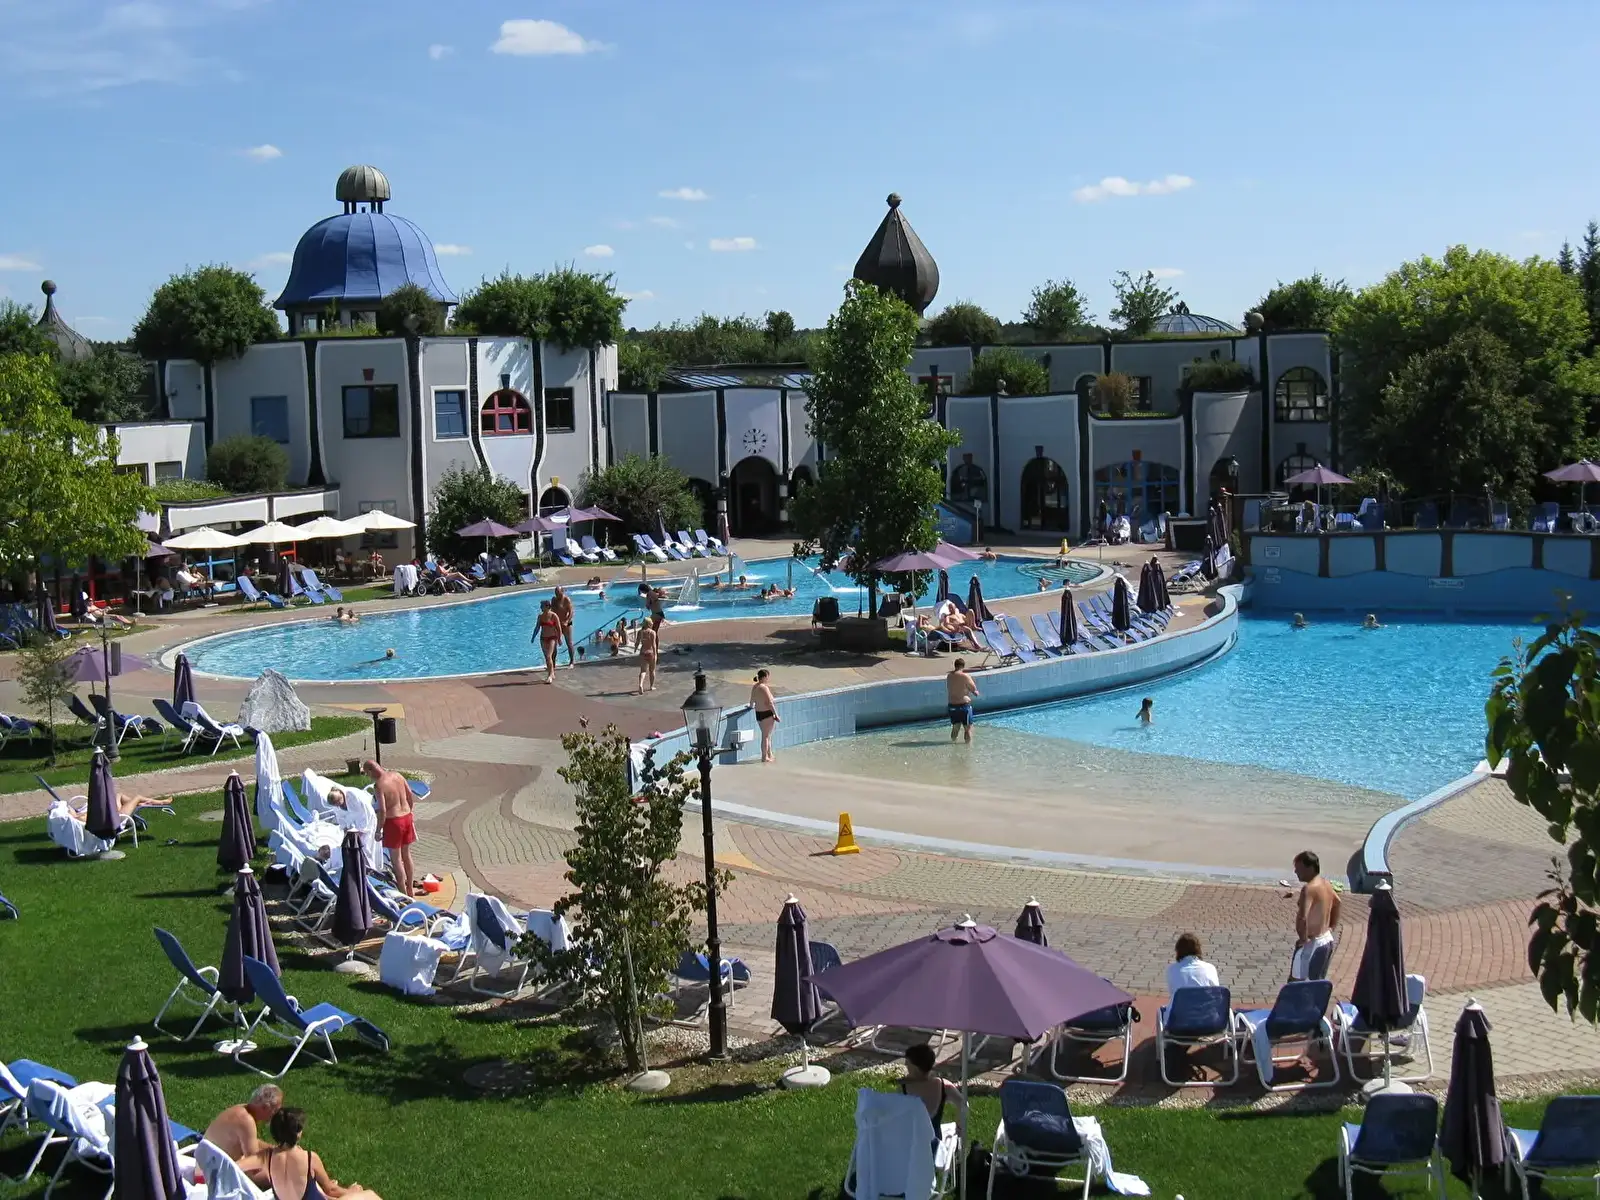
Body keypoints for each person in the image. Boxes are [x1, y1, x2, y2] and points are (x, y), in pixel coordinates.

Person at [261, 1107, 383, 1200]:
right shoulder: (309, 1158)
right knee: (369, 1195)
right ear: (297, 1133)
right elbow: (331, 1190)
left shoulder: (268, 1158)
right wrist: (352, 1191)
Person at [365, 759, 417, 898]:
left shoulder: (379, 785)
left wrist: (378, 830)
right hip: (406, 817)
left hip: (394, 822)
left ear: (371, 770)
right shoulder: (397, 775)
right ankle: (410, 888)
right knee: (407, 855)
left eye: (367, 774)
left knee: (396, 860)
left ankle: (404, 894)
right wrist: (409, 811)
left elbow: (382, 810)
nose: (368, 777)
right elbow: (409, 795)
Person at [898, 1044, 965, 1149]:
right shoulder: (943, 1085)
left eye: (908, 1065)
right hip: (934, 1148)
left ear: (915, 1069)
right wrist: (960, 1126)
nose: (906, 1067)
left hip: (909, 1147)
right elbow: (964, 1104)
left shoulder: (903, 1089)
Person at [202, 1085, 282, 1168]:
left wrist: (274, 1150)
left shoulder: (242, 1109)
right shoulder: (247, 1121)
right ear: (265, 1107)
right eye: (275, 1110)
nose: (275, 1114)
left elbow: (251, 1141)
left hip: (206, 1161)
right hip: (211, 1171)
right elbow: (253, 1162)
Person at [1290, 849, 1340, 981]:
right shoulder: (1326, 884)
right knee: (1316, 980)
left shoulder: (1309, 889)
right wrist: (1332, 926)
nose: (1295, 872)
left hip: (1313, 943)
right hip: (1326, 939)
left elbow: (1303, 917)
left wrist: (1303, 939)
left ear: (1310, 868)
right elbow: (1337, 903)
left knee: (1298, 982)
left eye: (1298, 868)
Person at [324, 785, 377, 859]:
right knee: (354, 849)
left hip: (367, 823)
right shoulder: (336, 806)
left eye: (339, 800)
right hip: (353, 828)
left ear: (341, 793)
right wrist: (345, 828)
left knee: (367, 848)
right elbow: (341, 818)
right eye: (336, 804)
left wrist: (360, 830)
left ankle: (369, 864)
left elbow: (363, 814)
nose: (339, 804)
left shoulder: (353, 796)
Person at [1165, 933, 1221, 997]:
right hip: (1205, 1003)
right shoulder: (1210, 968)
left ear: (1178, 950)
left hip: (1182, 1003)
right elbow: (1217, 992)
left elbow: (1172, 993)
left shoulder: (1172, 969)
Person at [946, 658, 979, 744]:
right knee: (967, 729)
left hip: (952, 706)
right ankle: (968, 748)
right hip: (964, 706)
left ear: (955, 666)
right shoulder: (965, 676)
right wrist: (975, 692)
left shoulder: (949, 676)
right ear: (963, 666)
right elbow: (974, 689)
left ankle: (953, 744)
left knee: (955, 727)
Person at [751, 669, 779, 763]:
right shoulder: (763, 687)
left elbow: (751, 701)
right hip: (767, 713)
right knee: (766, 737)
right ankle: (764, 757)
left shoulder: (755, 687)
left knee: (767, 736)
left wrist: (750, 707)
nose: (768, 679)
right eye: (767, 677)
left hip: (758, 713)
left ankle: (769, 754)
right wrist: (776, 714)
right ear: (764, 677)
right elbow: (770, 702)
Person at [534, 599, 562, 684]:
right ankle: (551, 672)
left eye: (542, 606)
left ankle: (549, 676)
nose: (540, 608)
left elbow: (559, 628)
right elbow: (537, 627)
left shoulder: (554, 616)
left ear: (547, 606)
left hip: (552, 638)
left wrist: (559, 639)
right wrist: (533, 637)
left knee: (549, 656)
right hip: (543, 638)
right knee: (547, 657)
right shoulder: (540, 616)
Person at [551, 585, 576, 666]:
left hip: (566, 624)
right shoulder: (554, 600)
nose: (557, 595)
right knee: (554, 644)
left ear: (562, 592)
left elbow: (571, 612)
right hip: (557, 624)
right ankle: (553, 663)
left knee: (569, 642)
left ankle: (572, 661)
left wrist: (566, 621)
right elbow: (552, 611)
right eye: (556, 593)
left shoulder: (566, 599)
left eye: (558, 593)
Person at [636, 620, 658, 694]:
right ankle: (651, 686)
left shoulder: (640, 632)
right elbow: (654, 644)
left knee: (643, 671)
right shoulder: (652, 632)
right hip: (651, 652)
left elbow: (637, 642)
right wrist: (655, 654)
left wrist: (635, 649)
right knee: (652, 670)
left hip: (643, 652)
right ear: (649, 624)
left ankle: (640, 684)